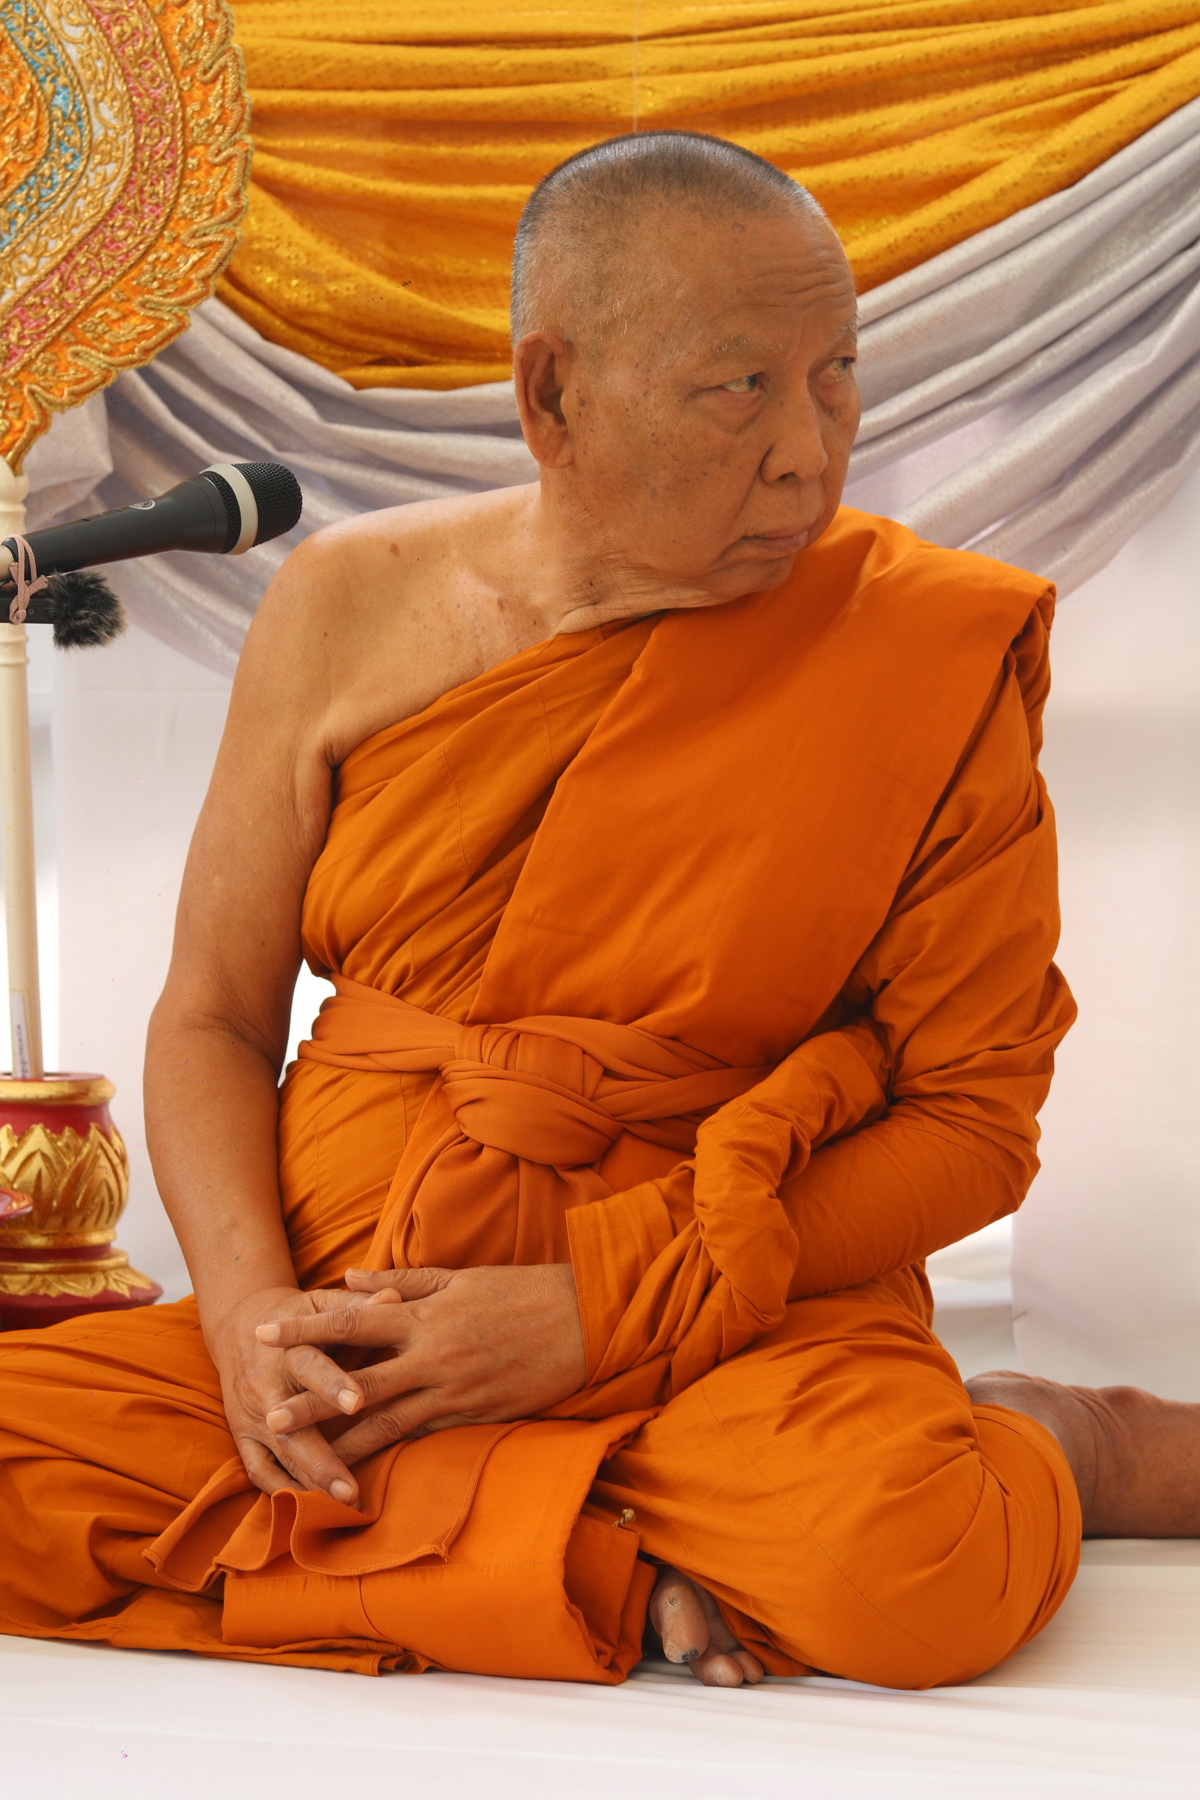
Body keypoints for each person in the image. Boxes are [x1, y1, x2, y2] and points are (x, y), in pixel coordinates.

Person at [1, 131, 1197, 1690]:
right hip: (362, 1311)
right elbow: (217, 1015)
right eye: (739, 390)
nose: (810, 450)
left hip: (724, 1307)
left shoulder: (924, 649)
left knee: (905, 1570)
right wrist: (248, 1325)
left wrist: (597, 1311)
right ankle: (603, 1559)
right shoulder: (346, 605)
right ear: (550, 395)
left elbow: (972, 1124)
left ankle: (1063, 1437)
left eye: (836, 375)